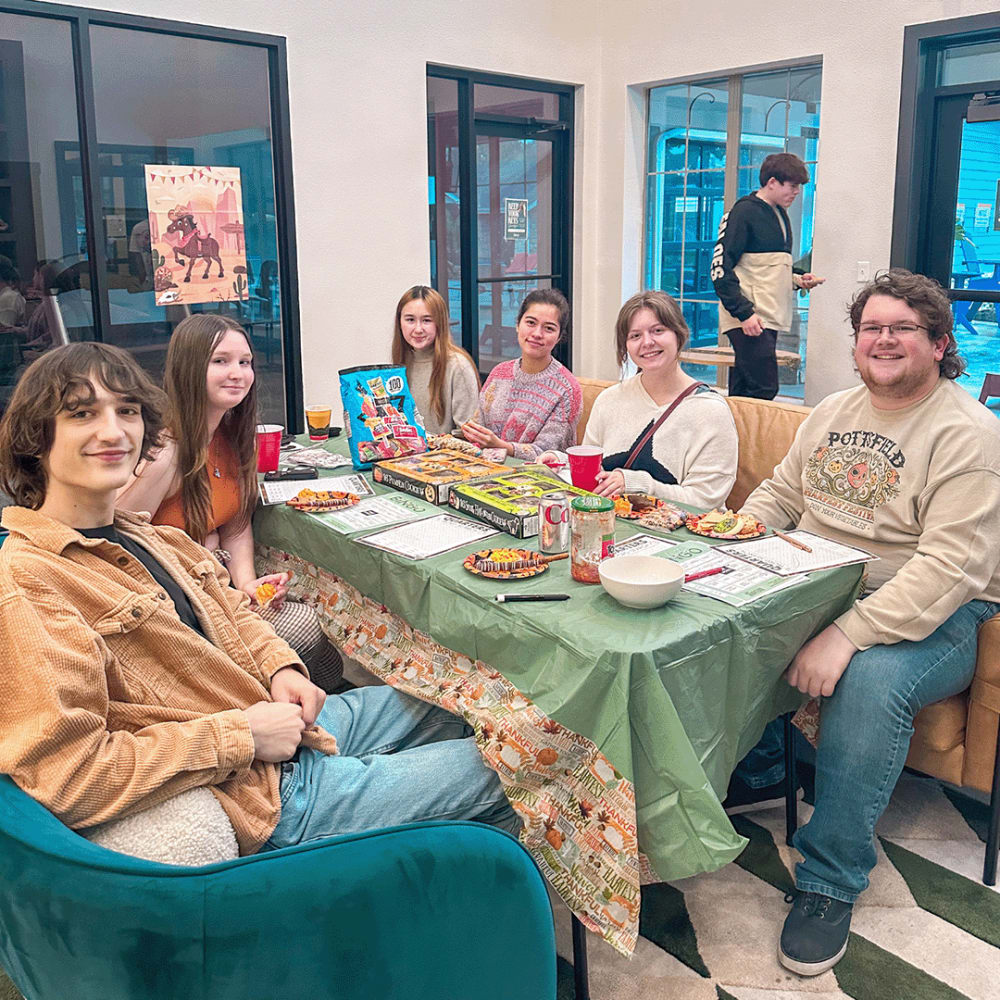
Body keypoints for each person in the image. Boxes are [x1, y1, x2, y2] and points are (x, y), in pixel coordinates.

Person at [0, 342, 520, 857]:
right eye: (82, 414)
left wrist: (282, 669)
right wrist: (241, 735)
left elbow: (231, 613)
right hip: (269, 794)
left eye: (127, 411)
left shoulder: (146, 534)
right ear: (35, 439)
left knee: (484, 701)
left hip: (285, 728)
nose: (113, 431)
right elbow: (69, 774)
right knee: (525, 764)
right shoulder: (30, 580)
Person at [738, 269, 1000, 976]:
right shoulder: (832, 411)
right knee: (711, 617)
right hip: (820, 580)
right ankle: (756, 763)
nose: (883, 339)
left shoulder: (970, 434)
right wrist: (730, 542)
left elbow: (948, 572)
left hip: (944, 612)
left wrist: (848, 634)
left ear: (941, 343)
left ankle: (829, 881)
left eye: (902, 328)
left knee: (873, 684)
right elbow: (781, 493)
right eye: (870, 329)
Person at [117, 314, 343, 691]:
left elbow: (235, 525)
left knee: (316, 617)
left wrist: (247, 584)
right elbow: (118, 543)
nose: (237, 373)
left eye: (245, 362)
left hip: (216, 585)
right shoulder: (165, 453)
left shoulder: (228, 434)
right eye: (220, 361)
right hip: (178, 606)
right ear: (189, 368)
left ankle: (309, 708)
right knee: (302, 627)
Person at [578, 290, 737, 507]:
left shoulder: (711, 411)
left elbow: (704, 500)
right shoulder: (608, 400)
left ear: (679, 334)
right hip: (610, 529)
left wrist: (641, 484)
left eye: (658, 330)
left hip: (680, 536)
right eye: (635, 336)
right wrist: (558, 464)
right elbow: (593, 476)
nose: (647, 342)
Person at [711, 152, 824, 400]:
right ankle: (757, 438)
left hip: (766, 316)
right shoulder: (743, 212)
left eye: (799, 187)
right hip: (752, 317)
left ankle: (739, 437)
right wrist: (745, 313)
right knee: (764, 387)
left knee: (744, 389)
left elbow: (765, 268)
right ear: (772, 182)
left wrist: (796, 279)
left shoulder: (779, 213)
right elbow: (720, 269)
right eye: (792, 186)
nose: (796, 192)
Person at [462, 288, 582, 460]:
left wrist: (501, 446)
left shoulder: (567, 389)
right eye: (531, 323)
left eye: (548, 328)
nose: (537, 334)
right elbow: (477, 430)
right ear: (518, 325)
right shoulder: (499, 373)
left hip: (538, 479)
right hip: (485, 471)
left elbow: (549, 454)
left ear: (559, 337)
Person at [390, 285, 479, 435]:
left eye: (426, 320)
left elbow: (468, 435)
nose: (418, 329)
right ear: (400, 322)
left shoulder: (458, 366)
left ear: (440, 323)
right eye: (410, 320)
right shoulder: (400, 363)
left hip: (445, 456)